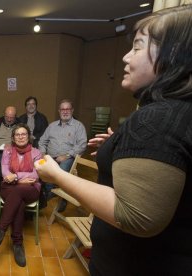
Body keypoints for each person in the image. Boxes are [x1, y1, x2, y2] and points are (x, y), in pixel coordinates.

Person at [35, 5, 192, 275]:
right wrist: (119, 143)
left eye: (138, 46)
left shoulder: (156, 119)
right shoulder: (177, 112)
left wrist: (58, 176)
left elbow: (136, 216)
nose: (126, 56)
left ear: (173, 55)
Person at [0, 124, 42, 267]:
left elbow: (36, 174)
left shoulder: (37, 153)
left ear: (29, 136)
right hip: (9, 187)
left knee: (18, 192)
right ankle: (18, 244)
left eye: (24, 134)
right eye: (17, 134)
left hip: (31, 189)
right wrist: (21, 179)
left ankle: (0, 231)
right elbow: (5, 172)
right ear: (13, 137)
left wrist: (16, 176)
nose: (21, 137)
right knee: (19, 201)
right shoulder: (8, 150)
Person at [38, 99, 87, 204]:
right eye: (62, 109)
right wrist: (42, 153)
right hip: (50, 156)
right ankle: (49, 192)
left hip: (69, 157)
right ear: (59, 111)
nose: (65, 111)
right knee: (41, 167)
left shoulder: (78, 126)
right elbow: (42, 141)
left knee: (62, 169)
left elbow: (82, 145)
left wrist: (67, 155)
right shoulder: (52, 126)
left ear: (72, 110)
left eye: (67, 109)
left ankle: (63, 200)